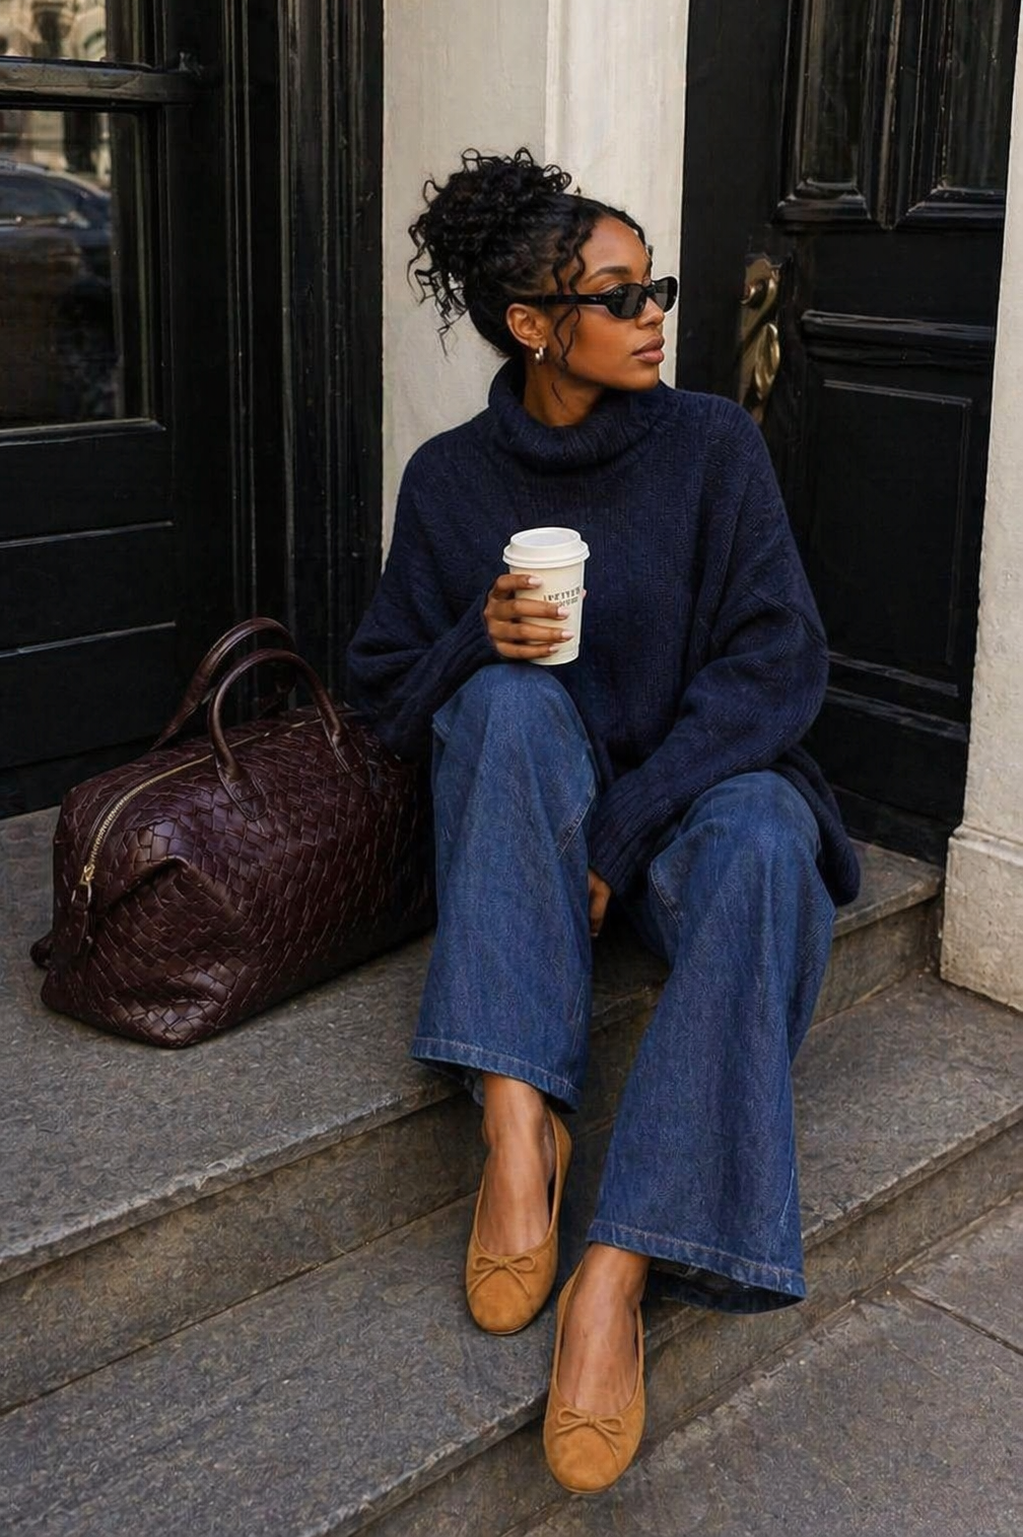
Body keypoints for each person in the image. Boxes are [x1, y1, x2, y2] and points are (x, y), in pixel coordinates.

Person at [347, 148, 859, 1495]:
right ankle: (521, 1126)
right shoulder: (451, 483)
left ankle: (613, 1276)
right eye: (622, 295)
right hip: (535, 799)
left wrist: (616, 836)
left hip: (695, 794)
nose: (655, 318)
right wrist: (477, 633)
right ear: (531, 326)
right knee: (508, 709)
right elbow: (386, 697)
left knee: (761, 847)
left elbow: (774, 663)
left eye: (658, 289)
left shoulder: (710, 446)